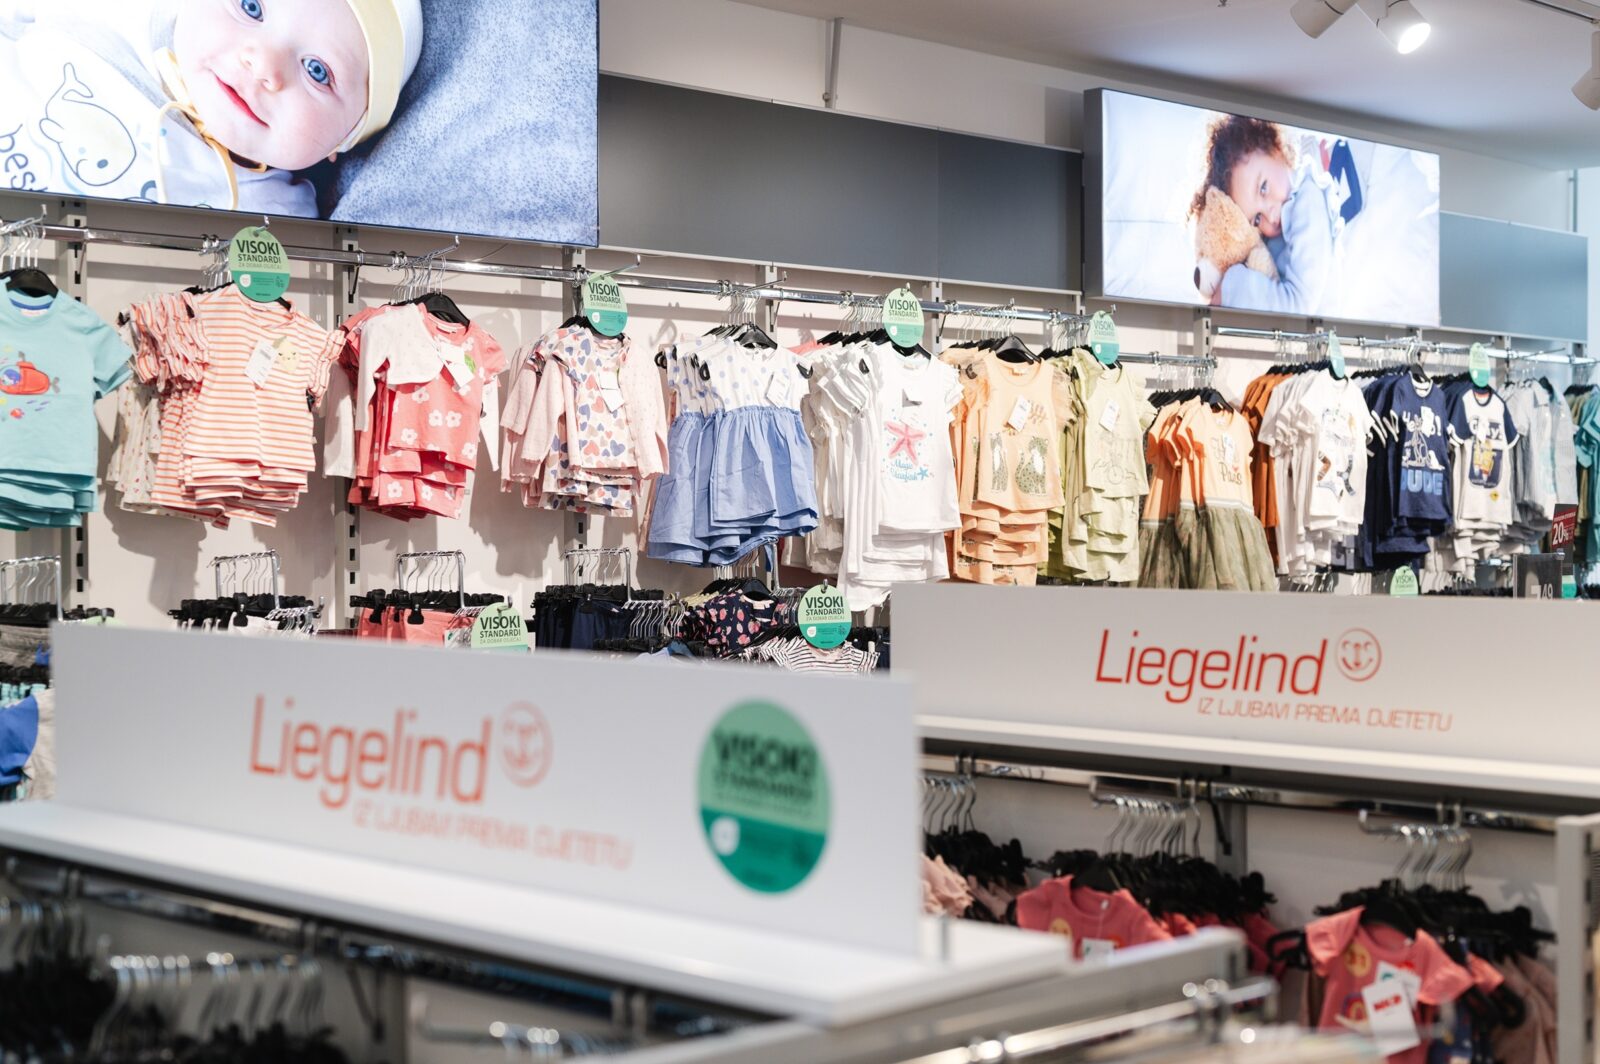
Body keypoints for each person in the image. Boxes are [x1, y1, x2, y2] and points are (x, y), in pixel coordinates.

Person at [0, 0, 422, 214]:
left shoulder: (272, 222)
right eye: (251, 6)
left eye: (316, 70)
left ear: (348, 138)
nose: (262, 64)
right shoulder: (117, 16)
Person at [1190, 114, 1354, 316]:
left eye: (1263, 188)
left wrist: (1231, 286)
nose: (1269, 215)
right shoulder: (1272, 232)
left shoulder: (1308, 198)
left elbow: (1298, 306)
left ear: (1276, 149)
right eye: (1256, 219)